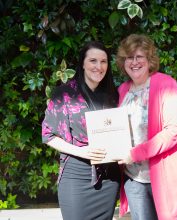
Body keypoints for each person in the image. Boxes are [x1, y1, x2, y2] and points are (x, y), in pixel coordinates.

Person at [115, 34, 177, 220]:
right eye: (128, 58)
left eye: (139, 56)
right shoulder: (122, 90)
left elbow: (174, 130)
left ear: (149, 60)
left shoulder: (166, 84)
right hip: (136, 180)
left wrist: (134, 154)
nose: (134, 62)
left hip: (170, 177)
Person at [42, 41, 120, 220]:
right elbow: (48, 135)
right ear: (83, 64)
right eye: (93, 60)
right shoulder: (64, 94)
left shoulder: (113, 95)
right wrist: (82, 151)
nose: (99, 67)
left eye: (104, 61)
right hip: (76, 175)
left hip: (109, 178)